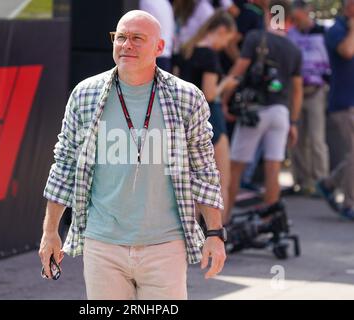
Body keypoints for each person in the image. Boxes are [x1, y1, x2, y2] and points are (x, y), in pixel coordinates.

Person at [39, 10, 226, 300]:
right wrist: (50, 232)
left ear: (160, 47)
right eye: (121, 37)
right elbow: (63, 164)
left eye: (138, 38)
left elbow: (203, 170)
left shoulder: (186, 97)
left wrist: (215, 234)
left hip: (165, 244)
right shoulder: (85, 94)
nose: (127, 45)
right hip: (102, 243)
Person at [222, 0, 303, 214]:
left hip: (254, 111)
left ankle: (224, 220)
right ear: (288, 19)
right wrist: (293, 122)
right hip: (281, 113)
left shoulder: (256, 38)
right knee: (273, 168)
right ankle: (269, 222)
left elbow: (238, 71)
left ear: (269, 14)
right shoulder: (294, 49)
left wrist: (224, 99)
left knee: (235, 167)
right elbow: (297, 91)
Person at [180, 9, 238, 224]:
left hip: (187, 121)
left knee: (192, 183)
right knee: (221, 180)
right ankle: (218, 234)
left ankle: (190, 238)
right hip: (211, 121)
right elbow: (209, 93)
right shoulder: (209, 56)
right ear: (221, 30)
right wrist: (227, 83)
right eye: (227, 39)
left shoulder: (187, 50)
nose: (225, 46)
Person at [288, 0, 330, 196]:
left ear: (308, 12)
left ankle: (321, 183)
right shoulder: (290, 35)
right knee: (296, 139)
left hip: (316, 91)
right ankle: (302, 181)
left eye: (299, 16)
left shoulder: (323, 32)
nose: (297, 20)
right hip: (295, 91)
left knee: (316, 140)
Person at [317, 0, 354, 220]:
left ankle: (329, 183)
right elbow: (347, 51)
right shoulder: (337, 29)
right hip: (343, 102)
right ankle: (349, 203)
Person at [140, 0, 175, 72]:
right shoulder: (165, 2)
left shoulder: (146, 2)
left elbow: (144, 28)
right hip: (165, 56)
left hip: (153, 57)